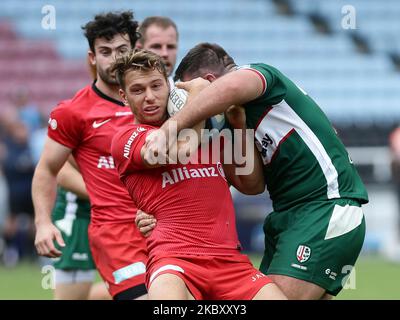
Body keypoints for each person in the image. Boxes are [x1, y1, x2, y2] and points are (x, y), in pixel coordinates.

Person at [142, 43, 369, 299]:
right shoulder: (231, 122)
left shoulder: (258, 76)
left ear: (209, 81)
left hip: (324, 207)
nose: (190, 102)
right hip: (288, 218)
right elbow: (251, 185)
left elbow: (232, 86)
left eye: (192, 91)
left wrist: (170, 128)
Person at [110, 49, 286, 300]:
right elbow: (177, 152)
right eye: (138, 90)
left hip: (230, 263)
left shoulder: (211, 136)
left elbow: (252, 184)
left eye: (156, 86)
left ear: (170, 88)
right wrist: (199, 102)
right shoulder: (127, 139)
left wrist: (238, 124)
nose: (150, 97)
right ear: (124, 97)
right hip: (174, 261)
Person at [32, 11, 148, 300]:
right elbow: (48, 169)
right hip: (116, 232)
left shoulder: (154, 100)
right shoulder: (74, 112)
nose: (115, 59)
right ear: (92, 57)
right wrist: (43, 223)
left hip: (160, 226)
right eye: (105, 52)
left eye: (122, 50)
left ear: (135, 50)